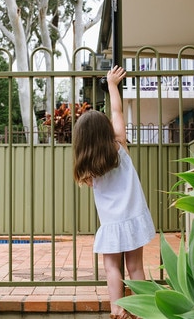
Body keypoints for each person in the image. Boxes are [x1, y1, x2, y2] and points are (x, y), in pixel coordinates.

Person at [72, 65, 155, 319]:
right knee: (135, 266)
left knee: (111, 267)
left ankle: (117, 309)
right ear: (106, 130)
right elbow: (117, 110)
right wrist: (112, 85)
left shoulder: (87, 168)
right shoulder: (119, 145)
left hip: (111, 224)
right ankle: (142, 310)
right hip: (134, 218)